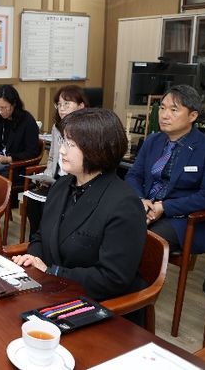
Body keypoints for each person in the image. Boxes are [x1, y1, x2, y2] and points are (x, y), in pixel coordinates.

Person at [13, 108, 147, 301]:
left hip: (94, 301)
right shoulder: (61, 185)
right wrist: (33, 259)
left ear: (97, 149)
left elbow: (113, 278)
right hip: (51, 288)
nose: (62, 150)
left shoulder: (124, 204)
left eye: (71, 144)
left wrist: (52, 272)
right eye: (63, 142)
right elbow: (40, 236)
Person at [126, 85, 205, 254]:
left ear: (193, 116)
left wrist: (165, 207)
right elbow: (134, 175)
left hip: (181, 219)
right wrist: (141, 199)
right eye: (162, 108)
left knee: (142, 243)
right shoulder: (152, 140)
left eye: (174, 110)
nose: (165, 115)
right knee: (107, 229)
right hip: (146, 208)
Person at [26, 85, 88, 239]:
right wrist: (46, 177)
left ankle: (49, 239)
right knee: (32, 200)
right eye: (59, 104)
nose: (62, 108)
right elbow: (53, 157)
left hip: (73, 180)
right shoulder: (56, 128)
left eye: (67, 104)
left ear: (81, 106)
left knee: (49, 205)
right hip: (56, 179)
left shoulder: (87, 130)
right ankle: (35, 240)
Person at [0, 84, 40, 176]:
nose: (1, 111)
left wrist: (8, 159)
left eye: (4, 107)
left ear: (14, 104)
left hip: (17, 167)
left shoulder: (27, 121)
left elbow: (32, 153)